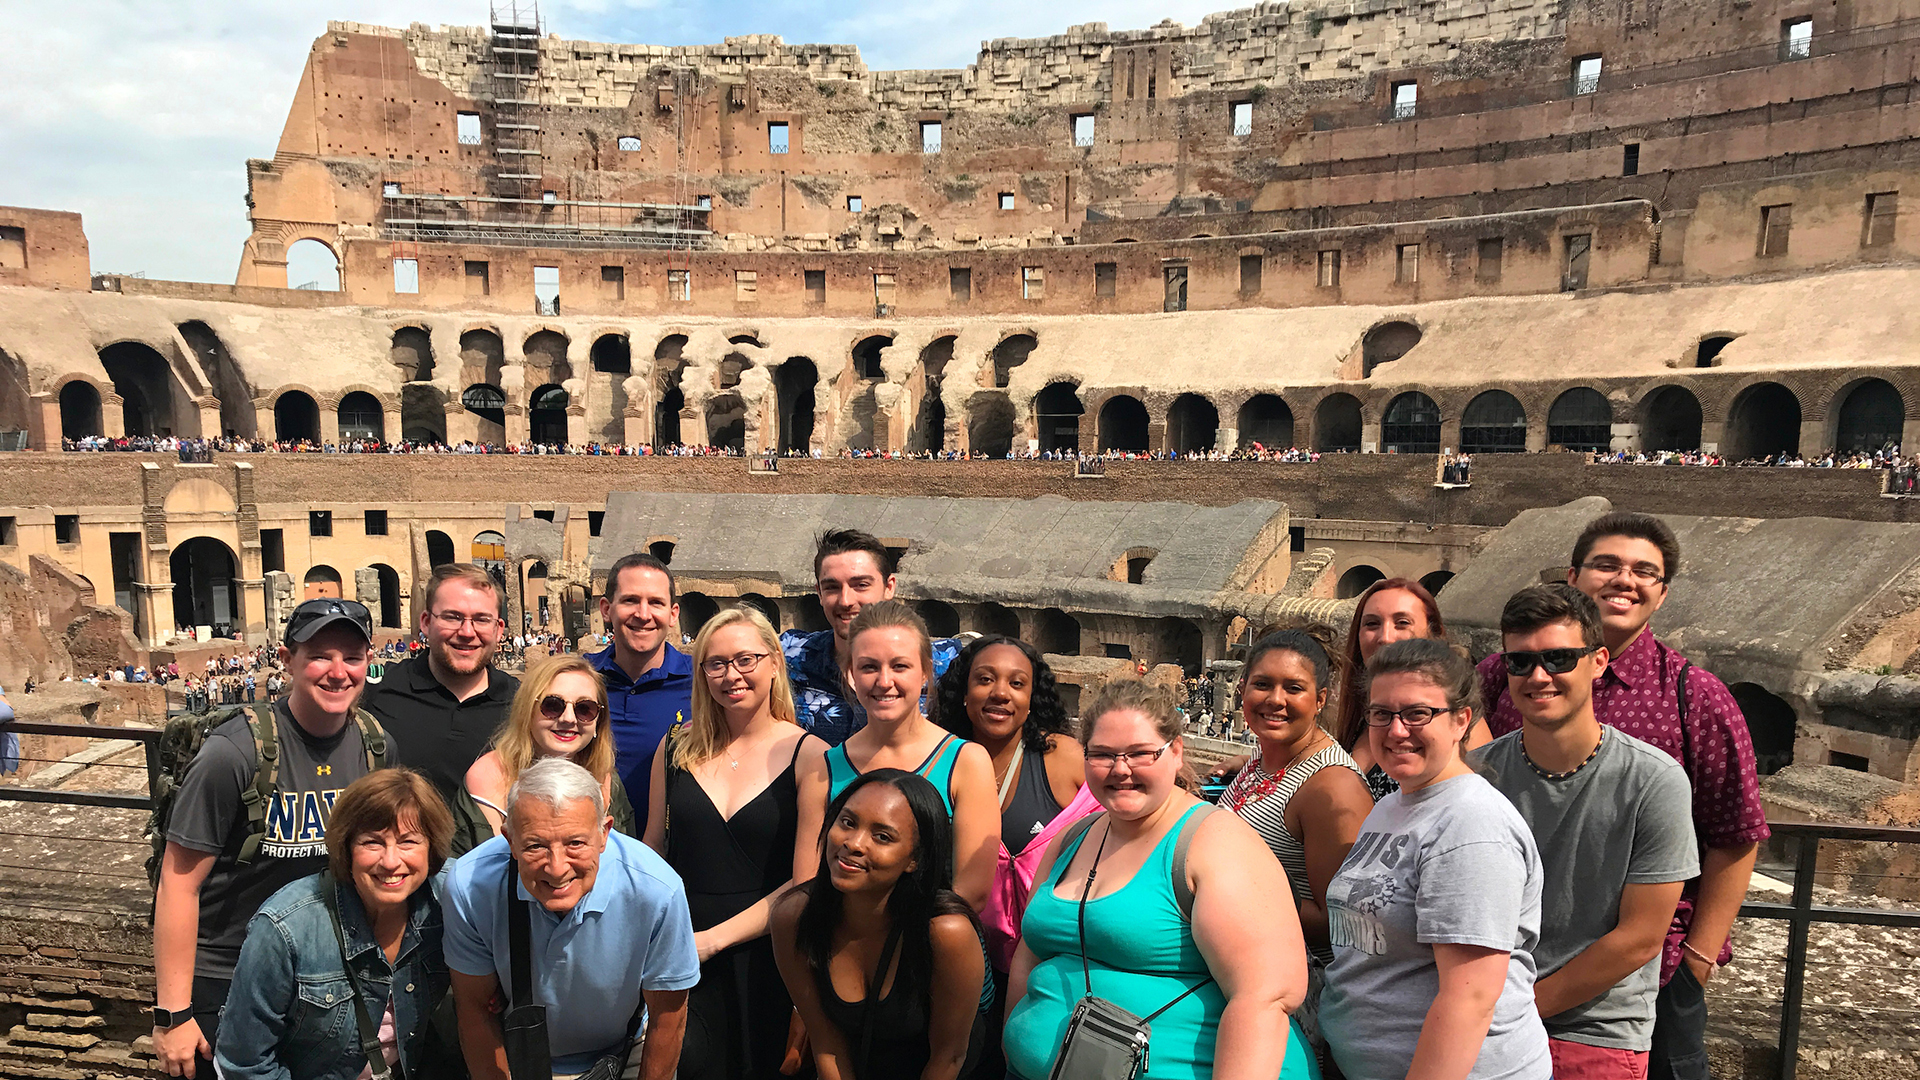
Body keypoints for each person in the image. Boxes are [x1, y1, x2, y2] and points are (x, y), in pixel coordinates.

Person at [1476, 512, 1769, 1080]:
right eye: (1607, 565)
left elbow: (1736, 834)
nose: (1623, 580)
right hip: (1506, 963)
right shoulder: (1502, 673)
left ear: (1661, 594)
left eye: (1644, 572)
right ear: (1574, 575)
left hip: (1650, 973)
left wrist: (1697, 962)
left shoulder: (1696, 696)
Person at [1004, 679, 1318, 1080]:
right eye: (1102, 755)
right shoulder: (1073, 836)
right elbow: (1029, 952)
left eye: (1140, 754)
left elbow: (1264, 997)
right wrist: (1011, 1044)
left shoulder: (1215, 844)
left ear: (1176, 753)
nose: (1120, 769)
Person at [153, 599, 389, 1079]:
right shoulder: (234, 753)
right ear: (287, 660)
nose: (338, 672)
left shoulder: (375, 745)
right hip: (227, 974)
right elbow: (178, 884)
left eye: (353, 656)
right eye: (320, 655)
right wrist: (173, 1014)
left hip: (325, 972)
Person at [1478, 585, 1698, 1079]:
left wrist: (1518, 1010)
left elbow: (1640, 938)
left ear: (1598, 661)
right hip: (1486, 1019)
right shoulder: (1476, 775)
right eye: (1520, 662)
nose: (1538, 676)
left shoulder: (1653, 781)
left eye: (1558, 658)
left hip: (1594, 1029)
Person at [1319, 639, 1550, 1080]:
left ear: (1462, 720)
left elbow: (1470, 999)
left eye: (1417, 713)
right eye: (1382, 713)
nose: (1396, 729)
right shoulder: (1394, 805)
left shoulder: (1470, 825)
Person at [643, 607, 827, 1080]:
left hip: (769, 952)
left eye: (746, 659)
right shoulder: (674, 747)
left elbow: (805, 884)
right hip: (680, 947)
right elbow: (653, 851)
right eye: (715, 663)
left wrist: (713, 941)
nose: (731, 675)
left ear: (774, 664)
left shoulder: (813, 755)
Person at [442, 757, 699, 1080]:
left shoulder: (656, 890)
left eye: (575, 843)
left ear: (604, 833)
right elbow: (474, 1010)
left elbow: (668, 1017)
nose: (557, 867)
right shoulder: (470, 885)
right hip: (516, 1051)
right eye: (536, 846)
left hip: (627, 1047)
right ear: (510, 840)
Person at [216, 769, 455, 1080]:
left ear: (432, 847)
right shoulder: (285, 928)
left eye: (408, 842)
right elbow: (244, 1062)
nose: (391, 861)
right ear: (346, 848)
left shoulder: (451, 898)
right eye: (372, 842)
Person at [933, 635, 1096, 1078]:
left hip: (1046, 967)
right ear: (963, 693)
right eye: (984, 679)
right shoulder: (939, 759)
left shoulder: (1060, 758)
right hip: (961, 965)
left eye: (1016, 683)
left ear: (1031, 698)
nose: (1000, 692)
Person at [770, 770, 994, 1080]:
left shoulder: (946, 933)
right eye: (847, 822)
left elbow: (949, 1057)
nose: (854, 843)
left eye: (882, 836)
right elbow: (826, 1044)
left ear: (914, 859)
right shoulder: (793, 916)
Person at [1217, 629, 1371, 1061]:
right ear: (1243, 687)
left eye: (1294, 688)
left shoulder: (1332, 788)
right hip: (1249, 967)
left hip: (1300, 994)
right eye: (1262, 684)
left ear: (1320, 700)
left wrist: (1235, 883)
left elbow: (1338, 923)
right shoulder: (1266, 755)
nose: (1275, 699)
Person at [798, 601, 998, 909]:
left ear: (925, 673)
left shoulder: (966, 762)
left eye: (899, 666)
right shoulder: (823, 769)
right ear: (851, 674)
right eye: (869, 667)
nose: (884, 681)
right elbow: (808, 886)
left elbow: (972, 892)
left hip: (932, 944)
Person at [780, 529, 960, 746]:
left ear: (889, 586)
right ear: (818, 593)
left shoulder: (950, 663)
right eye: (832, 587)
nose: (846, 600)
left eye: (861, 585)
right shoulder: (791, 657)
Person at [363, 564, 518, 807]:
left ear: (498, 630)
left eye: (481, 619)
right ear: (425, 622)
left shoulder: (523, 703)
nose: (467, 632)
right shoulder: (376, 691)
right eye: (452, 617)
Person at [463, 655, 635, 849]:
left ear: (598, 721)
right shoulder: (489, 777)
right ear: (527, 710)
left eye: (584, 709)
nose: (568, 718)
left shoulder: (606, 778)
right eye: (552, 706)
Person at [590, 553, 694, 836]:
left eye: (655, 602)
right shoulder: (579, 681)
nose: (643, 614)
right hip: (589, 855)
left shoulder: (702, 684)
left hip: (676, 855)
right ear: (606, 609)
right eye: (630, 600)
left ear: (673, 614)